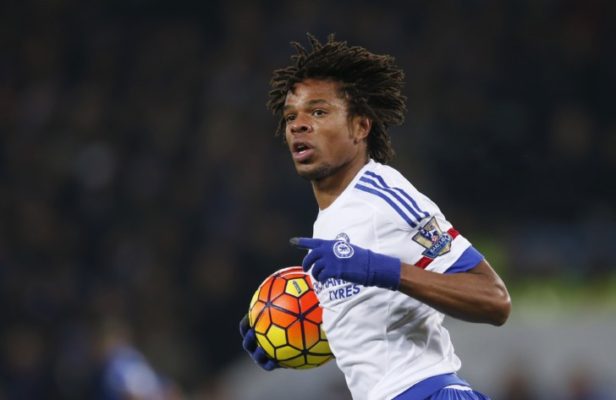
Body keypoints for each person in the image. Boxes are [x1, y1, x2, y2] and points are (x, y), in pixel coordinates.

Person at [239, 34, 511, 400]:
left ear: (360, 127)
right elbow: (379, 326)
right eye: (291, 116)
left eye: (318, 112)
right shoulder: (330, 220)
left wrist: (382, 269)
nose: (298, 125)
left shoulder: (384, 195)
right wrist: (287, 333)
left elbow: (494, 300)